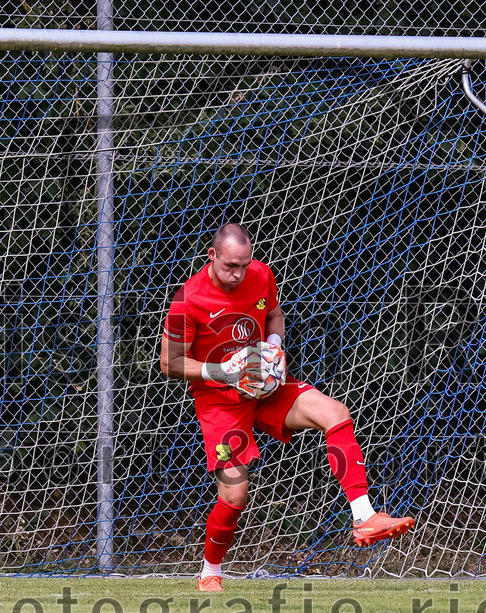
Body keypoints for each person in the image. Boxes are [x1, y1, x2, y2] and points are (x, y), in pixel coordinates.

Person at [160, 222, 414, 592]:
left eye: (244, 265)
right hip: (221, 402)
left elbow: (274, 315)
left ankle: (365, 516)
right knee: (234, 496)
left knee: (335, 413)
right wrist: (223, 371)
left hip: (266, 387)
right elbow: (169, 363)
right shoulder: (189, 299)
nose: (238, 273)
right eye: (230, 265)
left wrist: (274, 344)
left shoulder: (261, 275)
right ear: (212, 256)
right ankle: (210, 571)